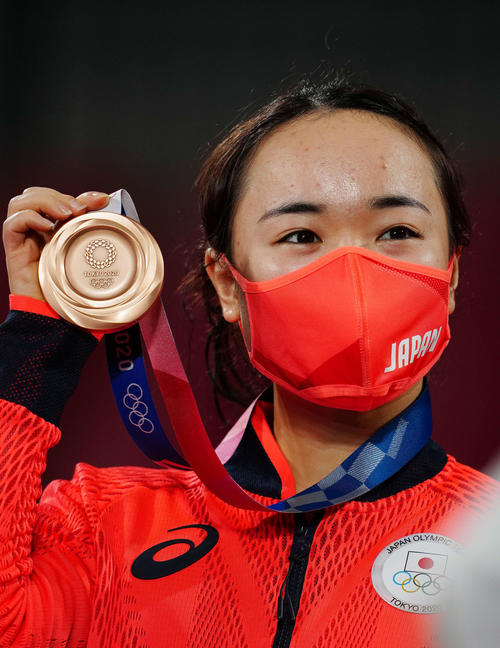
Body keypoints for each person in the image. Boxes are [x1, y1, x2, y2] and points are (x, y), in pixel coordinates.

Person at [0, 77, 498, 648]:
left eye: (397, 231)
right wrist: (38, 337)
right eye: (301, 235)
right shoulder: (102, 528)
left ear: (451, 272)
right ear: (227, 285)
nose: (352, 270)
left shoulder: (490, 548)